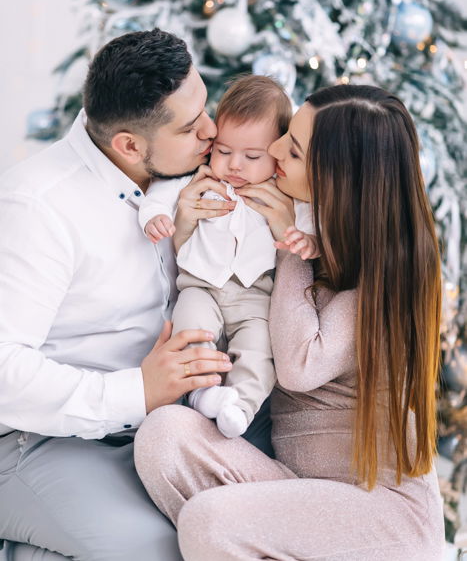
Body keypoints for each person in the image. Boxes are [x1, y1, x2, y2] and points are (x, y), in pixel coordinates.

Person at [134, 84, 446, 560]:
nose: (275, 148)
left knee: (210, 522)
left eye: (293, 150)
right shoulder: (290, 213)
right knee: (163, 436)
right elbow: (219, 291)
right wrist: (185, 226)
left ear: (333, 179)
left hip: (380, 513)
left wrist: (289, 242)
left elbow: (300, 363)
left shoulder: (387, 271)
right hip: (296, 487)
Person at [0, 28, 272, 561]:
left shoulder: (188, 176)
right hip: (44, 441)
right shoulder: (37, 209)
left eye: (205, 108)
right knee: (168, 548)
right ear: (129, 144)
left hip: (171, 423)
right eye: (193, 127)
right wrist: (138, 391)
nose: (213, 133)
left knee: (261, 522)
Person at [138, 76, 317, 440]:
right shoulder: (199, 180)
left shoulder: (286, 194)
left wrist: (310, 242)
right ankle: (203, 393)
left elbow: (312, 222)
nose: (234, 165)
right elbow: (159, 193)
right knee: (192, 332)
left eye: (252, 157)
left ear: (277, 153)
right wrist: (152, 216)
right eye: (223, 151)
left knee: (258, 351)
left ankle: (241, 406)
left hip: (254, 294)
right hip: (200, 286)